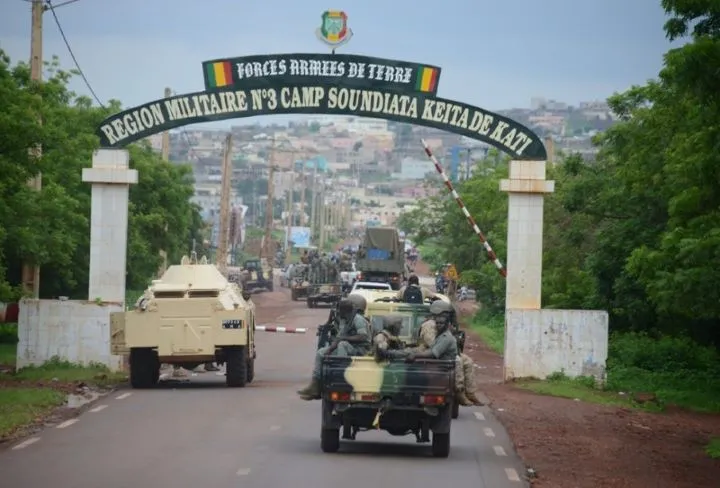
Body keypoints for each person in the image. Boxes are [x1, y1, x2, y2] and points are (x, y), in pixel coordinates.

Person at [297, 295, 371, 400]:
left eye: (340, 311)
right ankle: (315, 385)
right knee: (321, 352)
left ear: (346, 311)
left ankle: (340, 377)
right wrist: (330, 350)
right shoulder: (344, 320)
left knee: (342, 345)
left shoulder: (358, 319)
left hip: (361, 349)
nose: (338, 313)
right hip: (348, 347)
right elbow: (338, 338)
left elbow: (363, 336)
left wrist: (344, 339)